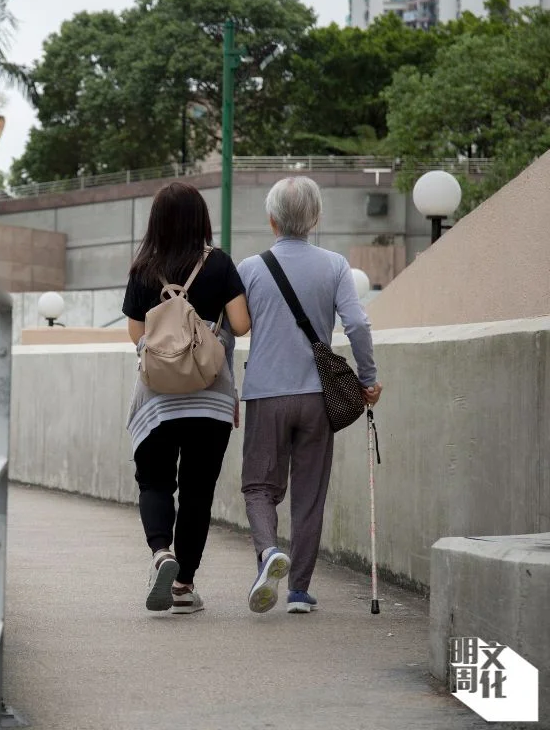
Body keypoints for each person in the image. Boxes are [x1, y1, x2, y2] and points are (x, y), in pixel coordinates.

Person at [237, 176, 382, 615]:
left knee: (260, 486)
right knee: (310, 493)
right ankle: (298, 590)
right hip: (319, 396)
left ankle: (268, 554)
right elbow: (357, 325)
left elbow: (226, 333)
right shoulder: (335, 265)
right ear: (315, 218)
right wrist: (367, 377)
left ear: (271, 218)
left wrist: (228, 390)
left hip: (265, 393)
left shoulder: (248, 269)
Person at [123, 182, 252, 614]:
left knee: (155, 481)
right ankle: (183, 588)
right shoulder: (219, 264)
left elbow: (137, 337)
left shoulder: (142, 268)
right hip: (210, 396)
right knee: (198, 491)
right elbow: (241, 323)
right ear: (201, 219)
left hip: (157, 400)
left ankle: (161, 551)